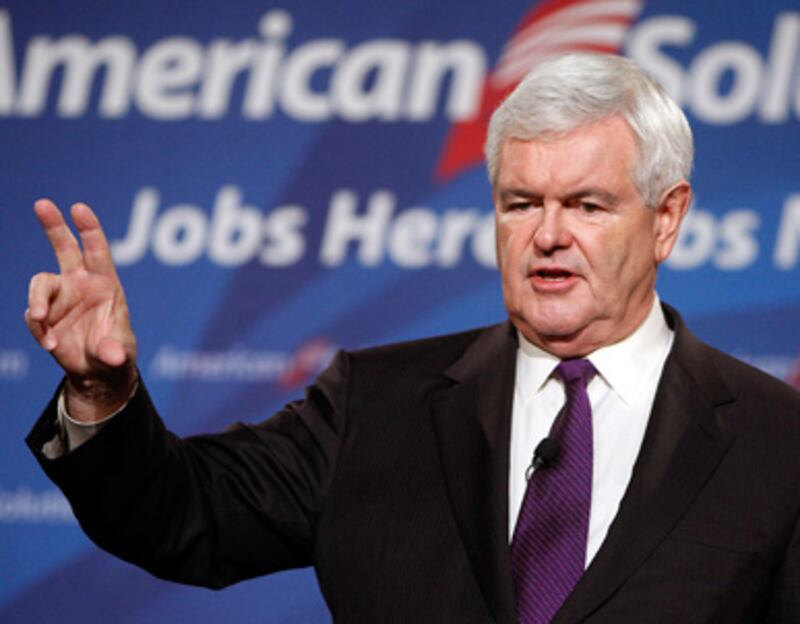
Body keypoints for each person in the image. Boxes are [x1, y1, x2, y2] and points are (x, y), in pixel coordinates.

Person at [25, 53, 800, 623]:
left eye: (587, 206)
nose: (548, 236)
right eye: (521, 203)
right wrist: (101, 392)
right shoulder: (375, 403)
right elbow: (181, 515)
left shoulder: (778, 441)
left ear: (666, 219)